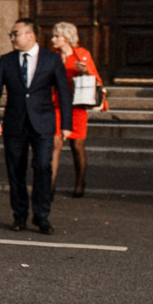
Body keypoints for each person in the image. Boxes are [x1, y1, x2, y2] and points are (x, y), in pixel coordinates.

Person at [0, 18, 72, 235]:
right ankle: (19, 214)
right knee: (16, 169)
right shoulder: (6, 60)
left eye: (15, 34)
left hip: (42, 122)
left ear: (30, 35)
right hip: (15, 123)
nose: (12, 38)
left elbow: (63, 92)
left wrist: (66, 124)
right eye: (12, 34)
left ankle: (41, 215)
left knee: (42, 165)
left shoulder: (51, 59)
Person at [49, 20, 100, 199]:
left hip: (77, 105)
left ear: (67, 37)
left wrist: (84, 71)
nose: (53, 39)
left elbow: (95, 80)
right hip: (56, 104)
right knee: (55, 144)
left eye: (57, 36)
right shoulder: (52, 57)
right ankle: (50, 186)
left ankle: (79, 182)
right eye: (53, 36)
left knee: (77, 146)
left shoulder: (82, 54)